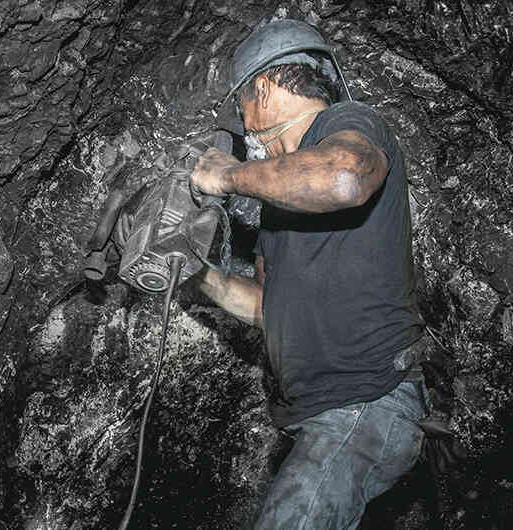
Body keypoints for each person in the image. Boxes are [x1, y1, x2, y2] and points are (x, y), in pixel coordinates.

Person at [189, 19, 432, 529]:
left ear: (263, 89)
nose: (247, 130)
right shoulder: (281, 206)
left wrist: (227, 176)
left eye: (242, 110)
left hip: (366, 401)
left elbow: (344, 178)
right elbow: (268, 307)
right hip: (323, 416)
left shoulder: (348, 122)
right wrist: (196, 275)